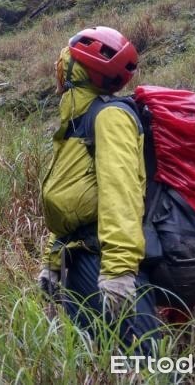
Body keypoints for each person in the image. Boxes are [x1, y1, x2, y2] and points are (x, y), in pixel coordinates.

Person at [38, 26, 160, 355]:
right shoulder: (77, 121)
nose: (57, 69)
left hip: (103, 259)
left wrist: (119, 271)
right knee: (100, 358)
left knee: (145, 364)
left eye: (64, 62)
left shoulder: (109, 117)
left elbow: (122, 195)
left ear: (75, 70)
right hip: (79, 256)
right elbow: (72, 201)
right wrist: (52, 261)